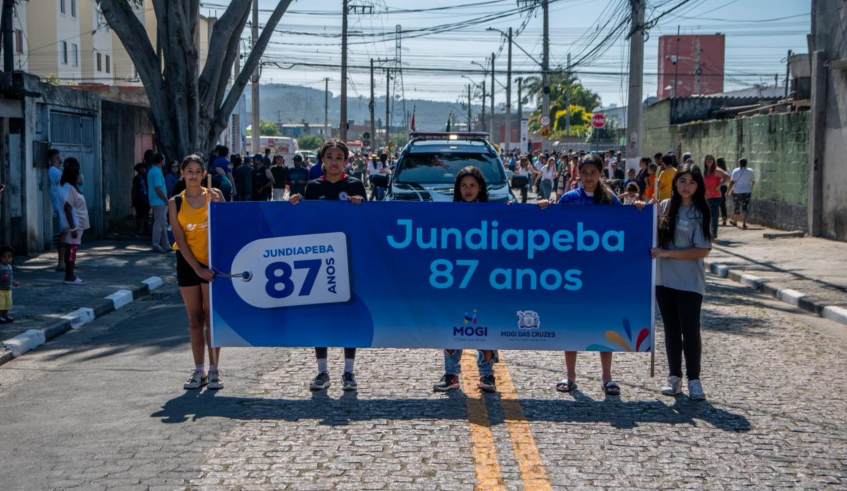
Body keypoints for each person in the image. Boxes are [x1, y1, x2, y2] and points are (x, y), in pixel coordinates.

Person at [289, 139, 367, 391]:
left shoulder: (355, 185)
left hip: (350, 257)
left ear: (346, 161)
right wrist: (295, 204)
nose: (334, 162)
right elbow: (305, 221)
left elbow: (368, 220)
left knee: (348, 314)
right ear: (322, 160)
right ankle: (322, 371)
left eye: (339, 157)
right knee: (320, 315)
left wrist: (361, 205)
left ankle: (349, 372)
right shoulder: (313, 187)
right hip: (319, 260)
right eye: (330, 157)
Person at [555, 154, 623, 396]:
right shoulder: (568, 199)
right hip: (573, 274)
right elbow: (553, 227)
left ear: (601, 174)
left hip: (602, 274)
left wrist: (638, 209)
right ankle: (570, 376)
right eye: (584, 173)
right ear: (578, 174)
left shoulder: (611, 200)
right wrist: (544, 207)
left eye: (593, 173)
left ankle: (607, 377)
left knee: (604, 324)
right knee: (572, 324)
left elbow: (625, 226)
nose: (589, 177)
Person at [433, 166, 502, 393]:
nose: (468, 189)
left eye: (472, 185)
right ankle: (451, 374)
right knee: (452, 325)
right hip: (454, 280)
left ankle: (487, 374)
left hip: (484, 281)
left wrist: (514, 211)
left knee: (484, 325)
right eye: (463, 185)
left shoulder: (493, 212)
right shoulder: (449, 213)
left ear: (480, 187)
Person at [652, 162, 712, 401]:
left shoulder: (700, 212)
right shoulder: (664, 206)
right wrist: (643, 208)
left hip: (689, 282)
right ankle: (674, 377)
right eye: (682, 181)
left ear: (698, 186)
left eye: (692, 182)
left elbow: (701, 250)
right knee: (671, 330)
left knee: (690, 329)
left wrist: (667, 253)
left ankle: (694, 379)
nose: (686, 186)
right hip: (664, 281)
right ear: (675, 182)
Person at [169, 154, 226, 391]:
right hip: (189, 264)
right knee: (195, 319)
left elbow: (228, 225)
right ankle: (199, 370)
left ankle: (214, 370)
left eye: (197, 171)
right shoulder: (175, 202)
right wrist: (197, 269)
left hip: (212, 263)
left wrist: (222, 202)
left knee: (212, 319)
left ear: (204, 174)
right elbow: (180, 240)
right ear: (182, 173)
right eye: (188, 171)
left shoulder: (213, 195)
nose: (193, 175)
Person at [60, 159, 90, 286]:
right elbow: (67, 208)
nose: (79, 176)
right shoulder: (69, 189)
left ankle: (70, 275)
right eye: (78, 174)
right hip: (75, 225)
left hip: (77, 224)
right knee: (71, 249)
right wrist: (72, 228)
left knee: (72, 249)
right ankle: (70, 276)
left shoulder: (71, 188)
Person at [147, 153, 173, 253]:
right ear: (161, 161)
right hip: (159, 201)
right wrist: (166, 199)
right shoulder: (157, 172)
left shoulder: (152, 171)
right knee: (159, 223)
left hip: (156, 200)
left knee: (163, 223)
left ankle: (166, 245)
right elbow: (158, 188)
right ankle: (156, 244)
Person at [702, 154, 730, 239]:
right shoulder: (706, 171)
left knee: (713, 216)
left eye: (710, 159)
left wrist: (720, 185)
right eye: (707, 159)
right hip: (707, 197)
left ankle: (713, 234)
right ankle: (709, 233)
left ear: (713, 161)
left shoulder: (716, 170)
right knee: (708, 216)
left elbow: (728, 177)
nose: (709, 160)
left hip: (715, 197)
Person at [47, 149, 66, 272]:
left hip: (61, 206)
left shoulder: (53, 171)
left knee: (66, 234)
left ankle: (65, 261)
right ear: (58, 158)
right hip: (61, 206)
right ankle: (61, 263)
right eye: (60, 156)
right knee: (64, 234)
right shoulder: (55, 171)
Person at [727, 158, 755, 229]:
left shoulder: (735, 171)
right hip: (747, 191)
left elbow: (732, 182)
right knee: (744, 207)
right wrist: (750, 187)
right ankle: (744, 223)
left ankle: (735, 222)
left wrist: (728, 191)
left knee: (737, 206)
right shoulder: (750, 171)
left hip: (737, 191)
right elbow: (753, 181)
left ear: (739, 163)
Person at [0, 245, 20, 324]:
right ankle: (0, 316)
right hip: (0, 289)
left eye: (9, 257)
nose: (6, 259)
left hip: (8, 289)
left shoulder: (9, 267)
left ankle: (5, 315)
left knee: (7, 304)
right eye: (4, 257)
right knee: (1, 304)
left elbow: (10, 277)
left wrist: (13, 282)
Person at [132, 163, 151, 237]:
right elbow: (134, 189)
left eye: (143, 168)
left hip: (146, 199)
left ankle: (147, 229)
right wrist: (133, 200)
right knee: (140, 215)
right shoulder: (137, 178)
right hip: (139, 199)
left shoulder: (147, 177)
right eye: (140, 169)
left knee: (145, 215)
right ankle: (140, 229)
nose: (142, 170)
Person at [716, 157, 730, 226]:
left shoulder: (716, 169)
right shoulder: (727, 169)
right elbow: (729, 177)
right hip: (724, 186)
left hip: (717, 187)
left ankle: (716, 218)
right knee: (722, 203)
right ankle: (724, 218)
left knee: (716, 202)